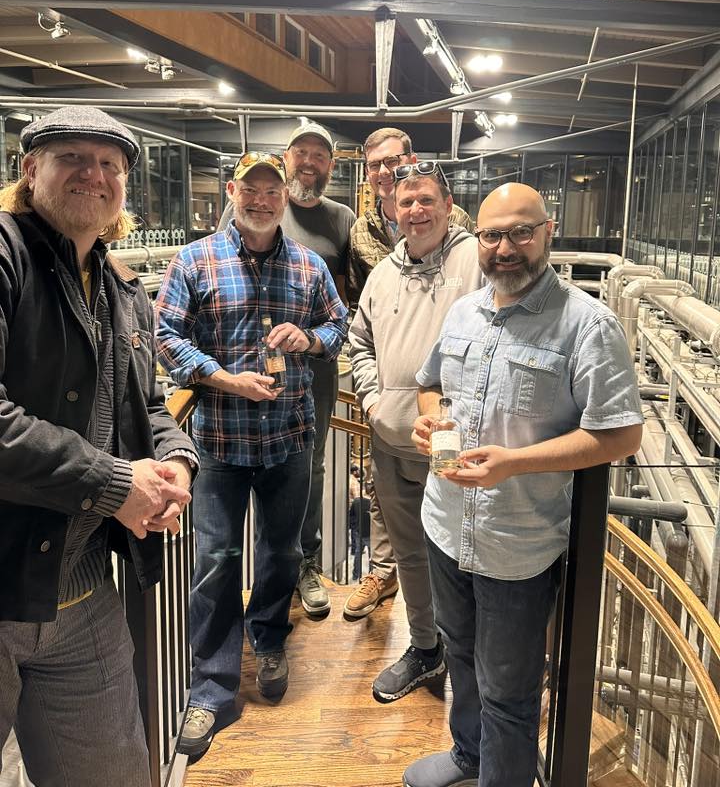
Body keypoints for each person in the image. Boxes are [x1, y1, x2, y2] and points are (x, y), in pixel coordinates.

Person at [404, 183, 644, 787]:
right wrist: (428, 419)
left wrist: (514, 463)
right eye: (492, 235)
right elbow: (431, 384)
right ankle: (468, 756)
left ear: (547, 231)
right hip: (446, 525)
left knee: (508, 689)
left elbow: (619, 435)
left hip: (519, 543)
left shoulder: (588, 325)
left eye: (520, 233)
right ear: (476, 239)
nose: (505, 247)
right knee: (459, 652)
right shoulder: (464, 311)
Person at [0, 106, 197, 787]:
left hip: (80, 593)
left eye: (110, 164)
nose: (95, 174)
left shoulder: (121, 293)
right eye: (72, 158)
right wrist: (117, 484)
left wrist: (175, 461)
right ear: (29, 171)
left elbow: (146, 405)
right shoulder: (6, 256)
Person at [155, 152, 347, 758]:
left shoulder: (310, 266)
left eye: (273, 192)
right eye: (252, 189)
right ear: (233, 192)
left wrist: (310, 337)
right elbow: (164, 334)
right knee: (213, 559)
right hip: (218, 442)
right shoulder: (194, 258)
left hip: (289, 436)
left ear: (284, 199)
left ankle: (267, 640)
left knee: (281, 551)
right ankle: (210, 688)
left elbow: (340, 325)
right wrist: (218, 378)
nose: (262, 200)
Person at [348, 161, 484, 702]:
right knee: (409, 554)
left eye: (426, 200)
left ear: (448, 206)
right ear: (392, 209)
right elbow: (359, 344)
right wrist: (376, 399)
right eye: (406, 202)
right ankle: (427, 650)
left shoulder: (476, 259)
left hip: (460, 448)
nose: (416, 211)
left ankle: (472, 660)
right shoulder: (382, 275)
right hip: (392, 442)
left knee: (464, 555)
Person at [218, 122, 355, 617]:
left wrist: (317, 338)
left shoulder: (341, 219)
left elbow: (345, 299)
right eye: (302, 152)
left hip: (309, 370)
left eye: (321, 154)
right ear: (287, 157)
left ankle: (304, 563)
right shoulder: (247, 208)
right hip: (238, 376)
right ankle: (259, 574)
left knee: (307, 467)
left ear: (330, 166)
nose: (310, 162)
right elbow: (218, 270)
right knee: (238, 470)